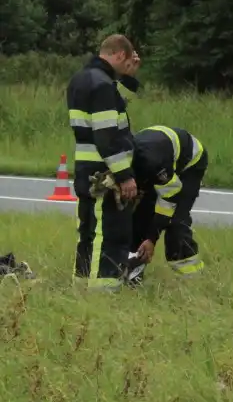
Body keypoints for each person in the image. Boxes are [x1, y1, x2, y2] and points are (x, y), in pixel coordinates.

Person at [66, 34, 142, 291]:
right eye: (127, 61)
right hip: (104, 172)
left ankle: (81, 285)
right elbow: (108, 135)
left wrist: (129, 77)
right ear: (120, 54)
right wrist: (125, 175)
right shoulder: (103, 86)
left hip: (85, 169)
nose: (128, 65)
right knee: (109, 233)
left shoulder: (81, 80)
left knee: (87, 232)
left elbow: (114, 109)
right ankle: (104, 292)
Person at [124, 125, 209, 285]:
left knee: (175, 220)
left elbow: (169, 199)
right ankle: (133, 274)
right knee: (141, 215)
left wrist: (151, 239)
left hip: (190, 163)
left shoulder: (152, 163)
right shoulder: (121, 163)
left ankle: (192, 280)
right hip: (159, 152)